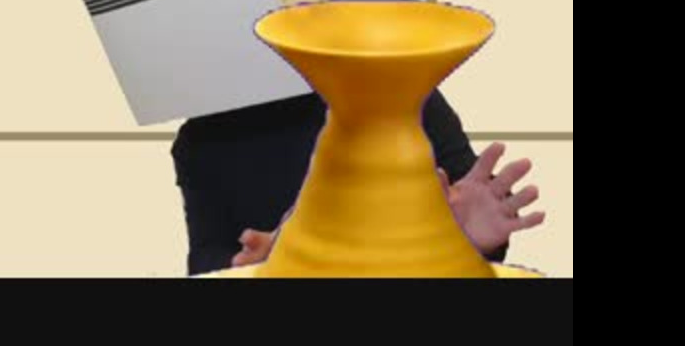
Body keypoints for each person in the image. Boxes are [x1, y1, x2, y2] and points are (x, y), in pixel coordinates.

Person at [171, 90, 545, 276]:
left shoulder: (401, 89)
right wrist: (252, 264)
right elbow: (204, 256)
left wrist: (462, 239)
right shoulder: (201, 140)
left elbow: (472, 208)